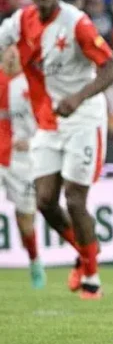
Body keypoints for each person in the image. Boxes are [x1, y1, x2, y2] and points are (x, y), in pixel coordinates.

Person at [0, 0, 113, 299]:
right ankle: (85, 252)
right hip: (49, 120)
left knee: (75, 198)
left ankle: (91, 277)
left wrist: (78, 97)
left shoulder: (76, 23)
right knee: (44, 201)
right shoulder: (20, 22)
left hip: (84, 117)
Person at [0, 45, 44, 288]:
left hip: (21, 159)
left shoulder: (30, 83)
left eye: (15, 51)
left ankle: (35, 261)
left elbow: (46, 119)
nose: (11, 55)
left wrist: (33, 141)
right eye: (7, 50)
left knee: (25, 218)